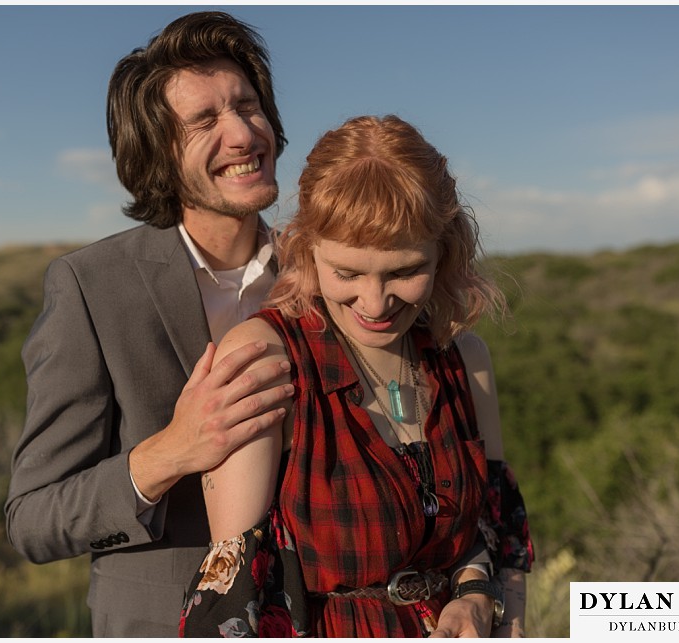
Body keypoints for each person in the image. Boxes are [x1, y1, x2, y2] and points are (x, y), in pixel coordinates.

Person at [180, 115, 533, 637]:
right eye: (347, 273)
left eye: (405, 271)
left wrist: (478, 593)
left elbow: (495, 529)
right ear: (306, 250)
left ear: (445, 252)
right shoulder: (267, 358)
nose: (374, 303)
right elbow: (236, 593)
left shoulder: (464, 358)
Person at [4, 12, 296, 637]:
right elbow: (32, 520)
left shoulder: (329, 275)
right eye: (205, 121)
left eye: (248, 105)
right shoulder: (91, 285)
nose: (244, 133)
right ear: (158, 154)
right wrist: (171, 451)